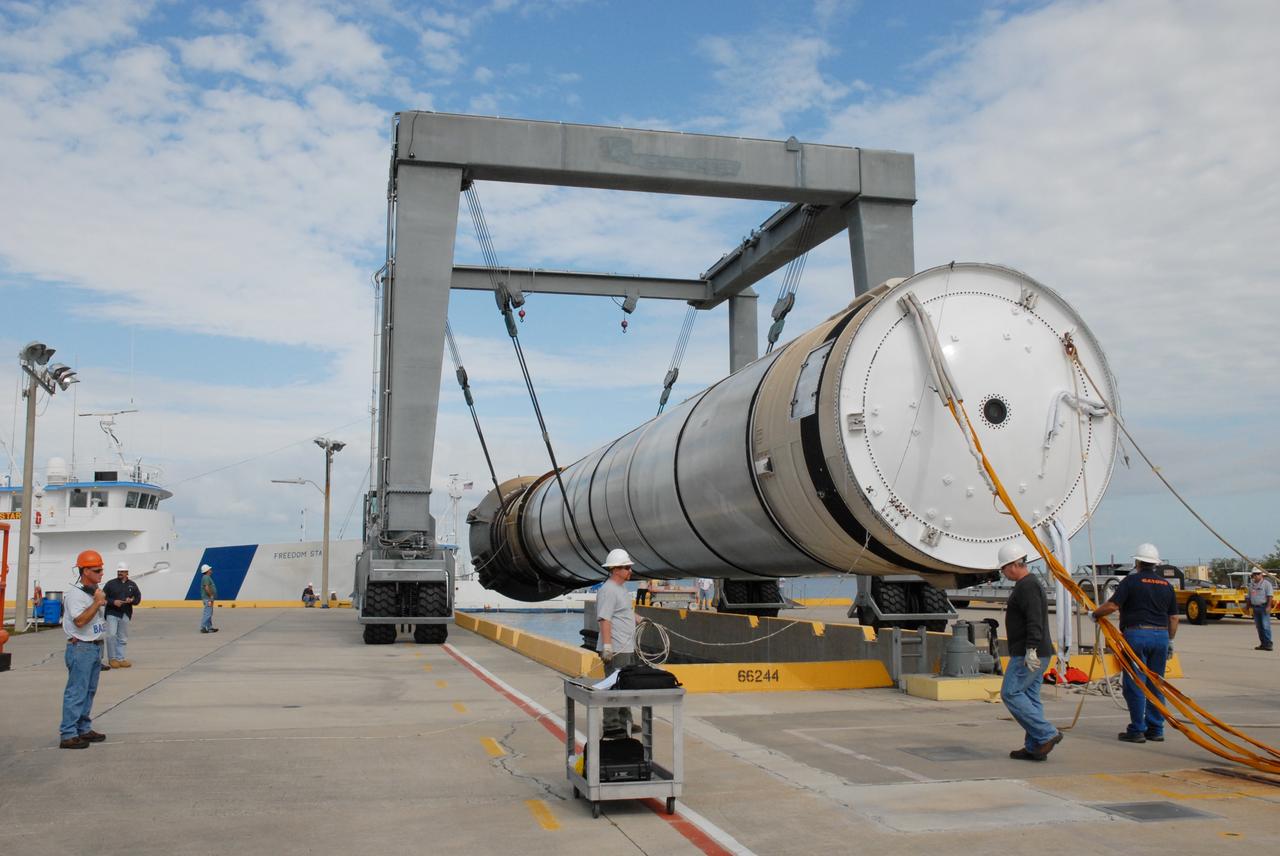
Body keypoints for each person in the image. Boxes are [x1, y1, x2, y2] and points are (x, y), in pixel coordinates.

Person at [1091, 542, 1178, 743]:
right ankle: (1156, 729)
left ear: (1137, 562)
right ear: (1155, 564)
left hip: (1137, 635)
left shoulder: (1131, 582)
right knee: (1156, 683)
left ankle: (1137, 729)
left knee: (1135, 683)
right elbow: (1173, 618)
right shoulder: (1166, 586)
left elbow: (1112, 605)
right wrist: (1170, 640)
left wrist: (1095, 614)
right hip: (1161, 637)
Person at [997, 544, 1061, 761]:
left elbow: (1034, 620)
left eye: (1004, 568)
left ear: (1014, 565)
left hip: (1030, 652)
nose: (1003, 573)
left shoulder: (1027, 586)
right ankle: (1035, 747)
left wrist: (1031, 649)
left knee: (1010, 693)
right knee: (1031, 698)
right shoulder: (1028, 585)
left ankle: (1046, 733)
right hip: (1035, 651)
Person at [59, 550, 109, 749]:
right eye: (97, 570)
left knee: (89, 691)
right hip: (81, 647)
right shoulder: (76, 595)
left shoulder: (93, 592)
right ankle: (68, 733)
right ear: (85, 571)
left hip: (95, 647)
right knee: (76, 692)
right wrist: (97, 603)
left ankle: (83, 728)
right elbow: (80, 621)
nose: (101, 573)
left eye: (101, 569)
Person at [596, 548, 638, 739]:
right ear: (615, 569)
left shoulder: (621, 589)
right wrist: (607, 647)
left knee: (625, 685)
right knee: (614, 687)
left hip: (626, 646)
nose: (630, 571)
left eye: (629, 567)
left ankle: (625, 721)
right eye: (627, 567)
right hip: (616, 648)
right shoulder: (608, 590)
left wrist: (640, 619)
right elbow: (604, 619)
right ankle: (611, 725)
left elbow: (623, 613)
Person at [103, 561, 142, 667]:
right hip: (112, 612)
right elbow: (102, 597)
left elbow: (138, 599)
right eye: (119, 571)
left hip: (125, 613)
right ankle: (112, 658)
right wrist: (113, 602)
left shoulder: (132, 585)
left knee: (122, 637)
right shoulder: (110, 584)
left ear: (127, 572)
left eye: (122, 571)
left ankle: (121, 658)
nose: (120, 573)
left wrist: (132, 601)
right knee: (111, 635)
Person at [1246, 567, 1275, 651]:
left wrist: (1268, 606)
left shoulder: (1266, 584)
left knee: (1265, 626)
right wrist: (1247, 606)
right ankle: (1263, 644)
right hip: (1255, 608)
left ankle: (1268, 644)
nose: (1256, 576)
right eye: (1254, 574)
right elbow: (1248, 597)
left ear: (1261, 574)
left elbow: (1270, 595)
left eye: (1258, 574)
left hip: (1264, 607)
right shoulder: (1251, 585)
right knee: (1259, 627)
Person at [199, 564, 219, 633]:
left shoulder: (206, 577)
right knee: (208, 612)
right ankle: (203, 627)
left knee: (209, 612)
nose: (211, 570)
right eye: (210, 569)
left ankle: (209, 627)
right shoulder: (206, 577)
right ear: (207, 571)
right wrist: (211, 595)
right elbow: (206, 587)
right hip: (208, 599)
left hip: (209, 599)